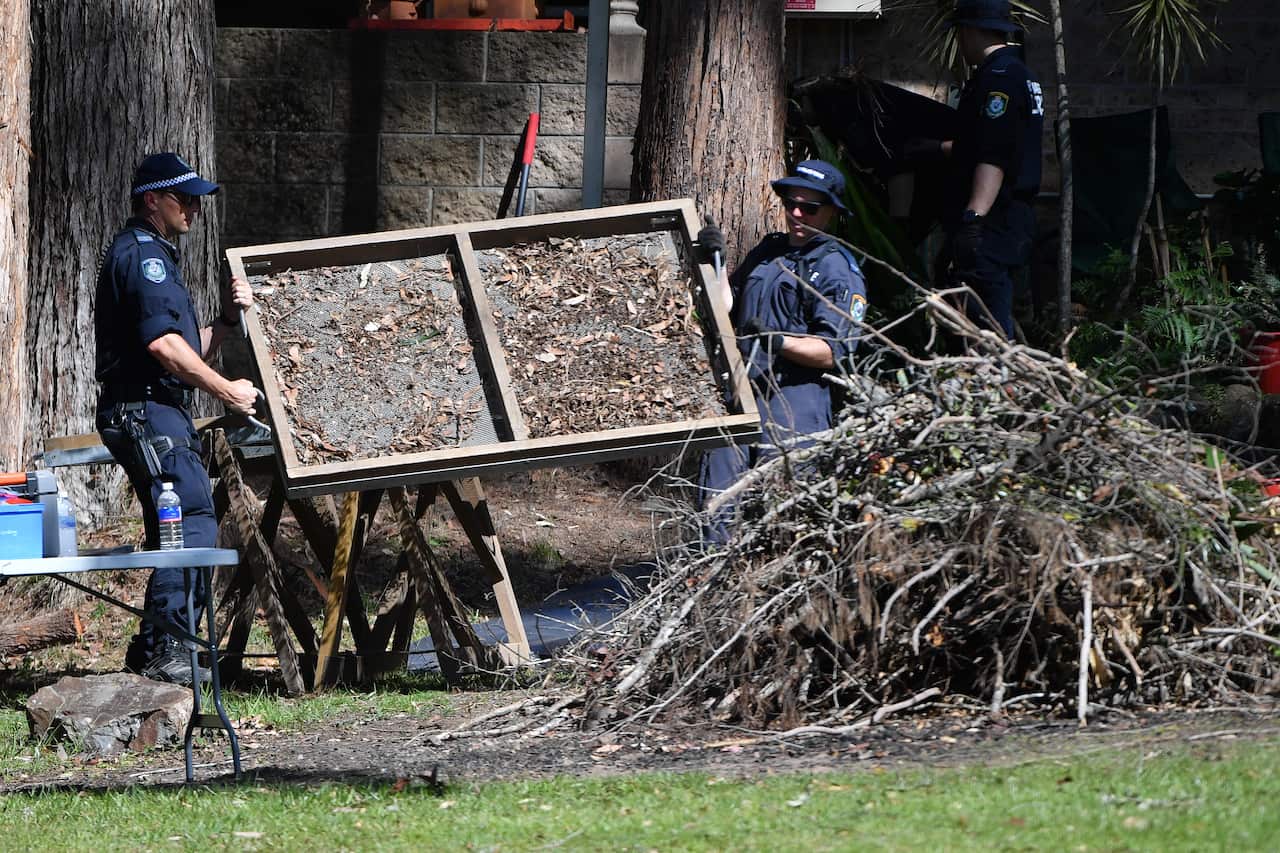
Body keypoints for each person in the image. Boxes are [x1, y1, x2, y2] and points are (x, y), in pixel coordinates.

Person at [95, 152, 259, 685]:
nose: (194, 207)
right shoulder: (145, 259)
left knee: (184, 522)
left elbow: (184, 346)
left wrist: (227, 322)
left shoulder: (154, 254)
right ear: (152, 201)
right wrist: (227, 392)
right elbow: (165, 348)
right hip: (145, 411)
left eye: (196, 198)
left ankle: (153, 650)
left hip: (155, 408)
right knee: (188, 520)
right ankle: (168, 650)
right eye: (182, 198)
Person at [695, 160, 866, 545]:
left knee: (782, 523)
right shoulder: (770, 250)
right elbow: (726, 304)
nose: (797, 214)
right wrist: (715, 263)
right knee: (716, 512)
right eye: (791, 204)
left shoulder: (838, 268)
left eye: (810, 208)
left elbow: (832, 351)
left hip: (795, 408)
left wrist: (777, 341)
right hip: (740, 398)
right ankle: (710, 595)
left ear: (833, 212)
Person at [904, 0, 1044, 339]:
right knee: (970, 308)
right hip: (1006, 217)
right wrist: (935, 150)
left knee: (988, 323)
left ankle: (1000, 383)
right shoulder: (1016, 74)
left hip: (993, 221)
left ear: (970, 30)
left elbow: (994, 155)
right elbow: (984, 141)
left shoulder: (999, 79)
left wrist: (973, 219)